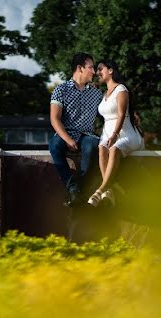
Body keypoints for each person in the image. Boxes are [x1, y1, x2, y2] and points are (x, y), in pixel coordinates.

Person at [88, 59, 144, 207]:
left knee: (114, 149)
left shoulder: (121, 89)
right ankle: (110, 189)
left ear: (111, 70)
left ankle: (101, 190)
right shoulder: (104, 94)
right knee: (101, 149)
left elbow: (120, 114)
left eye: (101, 69)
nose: (97, 73)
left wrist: (114, 135)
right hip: (107, 134)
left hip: (126, 134)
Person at [49, 53, 103, 207]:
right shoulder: (61, 90)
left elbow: (108, 112)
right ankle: (72, 187)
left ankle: (78, 189)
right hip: (66, 133)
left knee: (92, 146)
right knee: (54, 145)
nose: (94, 71)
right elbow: (54, 119)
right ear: (80, 68)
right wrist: (68, 139)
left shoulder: (96, 93)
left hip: (87, 135)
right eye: (91, 67)